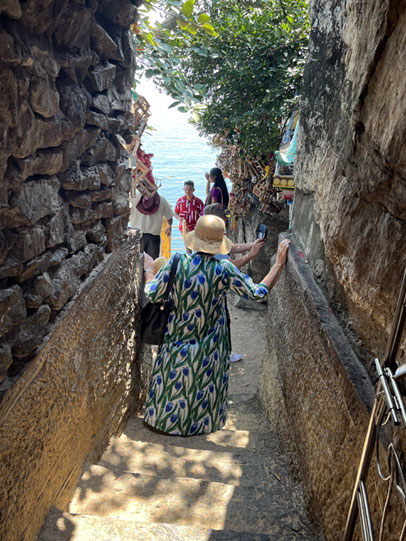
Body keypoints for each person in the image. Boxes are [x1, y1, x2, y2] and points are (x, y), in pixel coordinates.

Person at [142, 214, 290, 436]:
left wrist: (148, 270)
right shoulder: (224, 269)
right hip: (211, 347)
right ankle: (200, 424)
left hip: (175, 340)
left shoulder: (176, 263)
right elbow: (257, 293)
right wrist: (278, 263)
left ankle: (164, 422)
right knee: (203, 381)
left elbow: (152, 293)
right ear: (219, 245)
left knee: (175, 377)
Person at [130, 190, 174, 259]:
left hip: (136, 236)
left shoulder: (132, 198)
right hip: (153, 238)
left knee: (136, 261)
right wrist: (169, 226)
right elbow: (169, 218)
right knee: (153, 263)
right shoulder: (161, 199)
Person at [174, 181, 204, 254]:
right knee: (188, 249)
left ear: (193, 190)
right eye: (186, 189)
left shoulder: (198, 202)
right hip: (184, 229)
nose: (188, 191)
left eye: (190, 189)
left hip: (196, 230)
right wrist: (179, 218)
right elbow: (175, 213)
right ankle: (189, 260)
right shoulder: (180, 201)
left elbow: (203, 214)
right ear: (183, 189)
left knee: (197, 249)